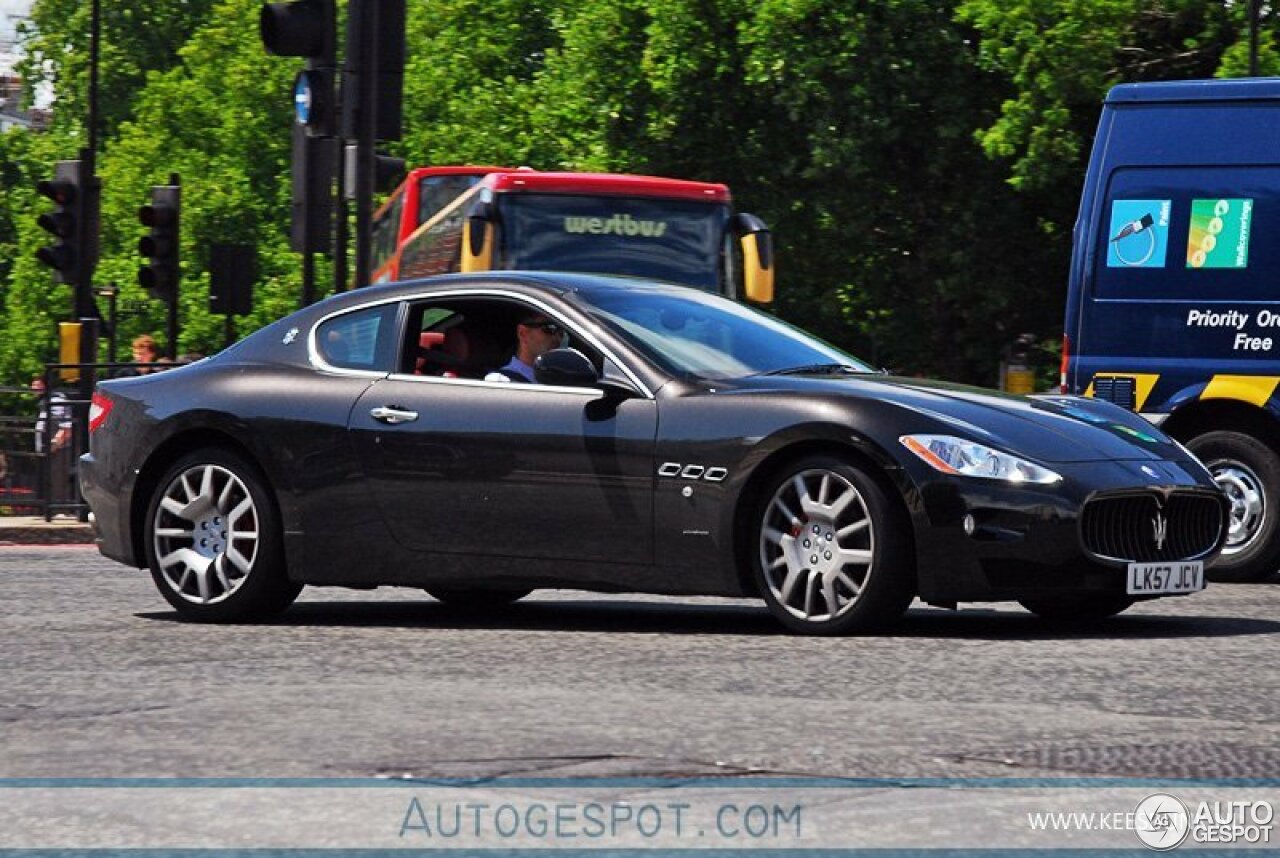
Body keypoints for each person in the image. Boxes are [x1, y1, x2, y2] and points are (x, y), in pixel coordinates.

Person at [484, 314, 568, 383]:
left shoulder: (560, 378)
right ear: (522, 333)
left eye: (561, 332)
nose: (558, 338)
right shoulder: (501, 382)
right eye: (550, 328)